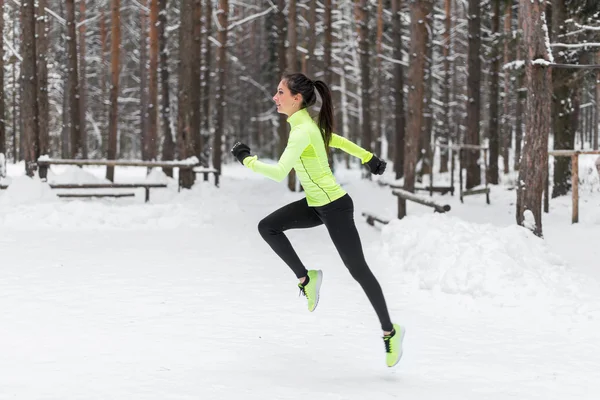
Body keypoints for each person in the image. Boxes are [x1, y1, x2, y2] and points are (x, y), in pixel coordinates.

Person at [230, 73, 405, 367]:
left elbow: (279, 172)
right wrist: (368, 157)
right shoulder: (306, 125)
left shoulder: (301, 131)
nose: (275, 97)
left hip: (335, 207)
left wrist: (246, 158)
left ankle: (390, 331)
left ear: (297, 99)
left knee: (358, 270)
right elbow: (335, 139)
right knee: (268, 227)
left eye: (280, 92)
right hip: (314, 204)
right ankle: (306, 277)